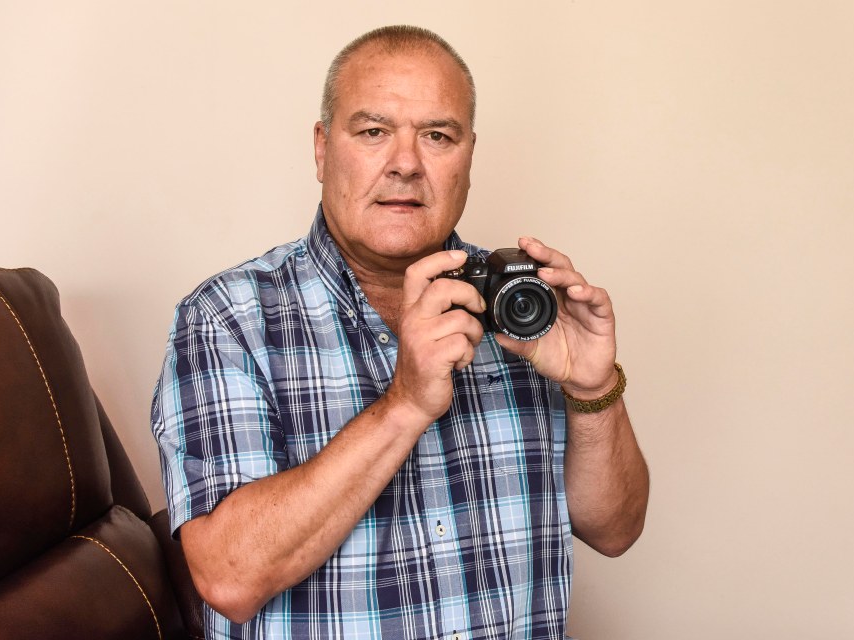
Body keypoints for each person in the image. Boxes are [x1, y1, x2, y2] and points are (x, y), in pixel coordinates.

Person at [152, 25, 649, 640]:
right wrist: (405, 404)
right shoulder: (229, 317)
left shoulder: (518, 302)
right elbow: (228, 577)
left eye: (438, 136)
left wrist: (594, 389)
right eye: (373, 132)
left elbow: (616, 530)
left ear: (468, 157)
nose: (407, 164)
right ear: (321, 148)